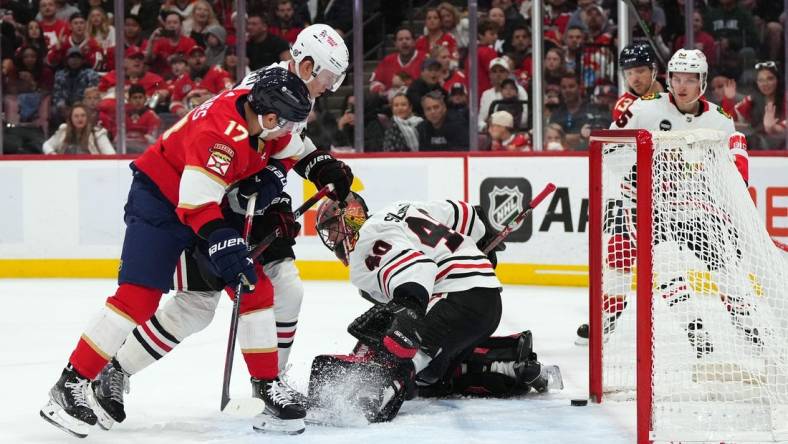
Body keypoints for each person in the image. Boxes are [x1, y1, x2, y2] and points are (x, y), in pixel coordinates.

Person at [85, 24, 354, 435]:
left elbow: (282, 150)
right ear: (305, 63)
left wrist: (317, 170)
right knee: (197, 304)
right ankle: (116, 369)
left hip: (235, 202)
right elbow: (238, 156)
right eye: (328, 77)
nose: (331, 87)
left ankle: (269, 383)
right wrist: (269, 191)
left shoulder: (293, 94)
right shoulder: (266, 87)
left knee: (279, 288)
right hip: (209, 202)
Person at [39, 68, 315, 438]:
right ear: (269, 117)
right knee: (137, 298)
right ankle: (70, 383)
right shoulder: (219, 136)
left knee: (253, 285)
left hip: (204, 202)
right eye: (286, 124)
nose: (289, 131)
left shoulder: (256, 113)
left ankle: (266, 386)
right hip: (160, 201)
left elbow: (291, 150)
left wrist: (276, 173)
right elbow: (196, 206)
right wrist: (224, 241)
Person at [305, 193, 562, 422]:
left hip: (454, 299)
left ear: (349, 222)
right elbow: (470, 215)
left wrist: (406, 321)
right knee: (434, 377)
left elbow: (418, 272)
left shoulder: (364, 247)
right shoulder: (402, 205)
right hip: (487, 301)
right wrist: (486, 237)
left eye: (333, 229)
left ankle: (375, 396)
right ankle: (509, 363)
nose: (333, 238)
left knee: (405, 363)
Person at [578, 49, 753, 351]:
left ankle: (748, 326)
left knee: (725, 262)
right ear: (668, 78)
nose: (682, 86)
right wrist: (642, 176)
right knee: (631, 257)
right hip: (642, 202)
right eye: (678, 79)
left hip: (692, 205)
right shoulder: (639, 108)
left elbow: (730, 159)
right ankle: (621, 322)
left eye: (690, 80)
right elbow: (610, 149)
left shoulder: (718, 118)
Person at [722, 61, 786, 150]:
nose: (765, 83)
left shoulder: (785, 99)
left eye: (770, 78)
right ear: (757, 83)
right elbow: (728, 120)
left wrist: (774, 128)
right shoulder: (750, 100)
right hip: (757, 148)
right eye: (761, 80)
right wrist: (729, 100)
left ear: (777, 80)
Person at [370, 28, 426, 97]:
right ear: (395, 44)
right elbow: (375, 82)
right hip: (391, 103)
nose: (404, 42)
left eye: (407, 39)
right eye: (400, 39)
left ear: (414, 42)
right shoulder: (388, 60)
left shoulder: (425, 59)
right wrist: (379, 88)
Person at [612, 43, 662, 122]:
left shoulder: (676, 94)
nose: (634, 79)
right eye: (629, 74)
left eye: (640, 71)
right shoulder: (624, 109)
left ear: (653, 71)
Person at [43, 102, 114, 154]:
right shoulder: (64, 130)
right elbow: (46, 145)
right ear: (71, 119)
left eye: (83, 115)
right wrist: (53, 155)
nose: (80, 119)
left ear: (87, 117)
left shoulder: (97, 133)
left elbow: (111, 154)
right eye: (76, 116)